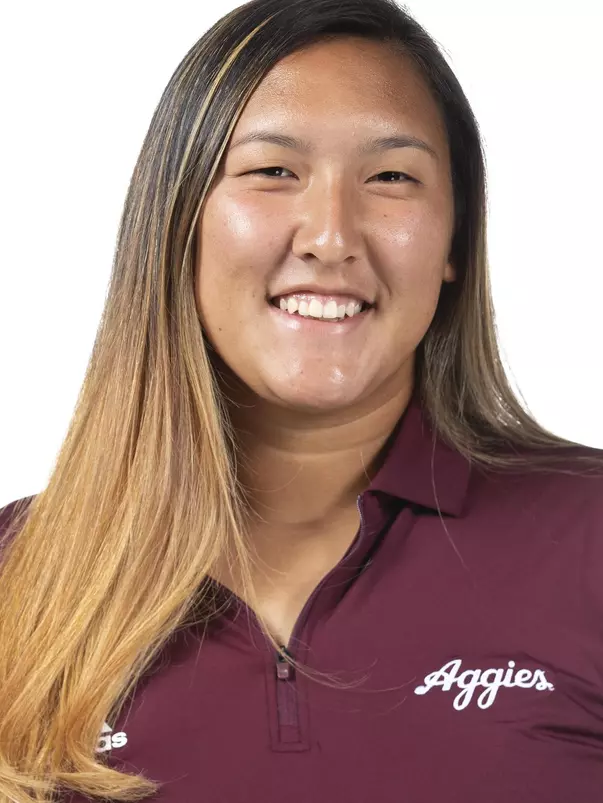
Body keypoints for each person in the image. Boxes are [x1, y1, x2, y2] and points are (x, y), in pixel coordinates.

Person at [1, 0, 602, 800]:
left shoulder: (586, 535)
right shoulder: (20, 577)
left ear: (455, 239)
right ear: (179, 219)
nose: (329, 234)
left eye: (391, 176)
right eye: (272, 171)